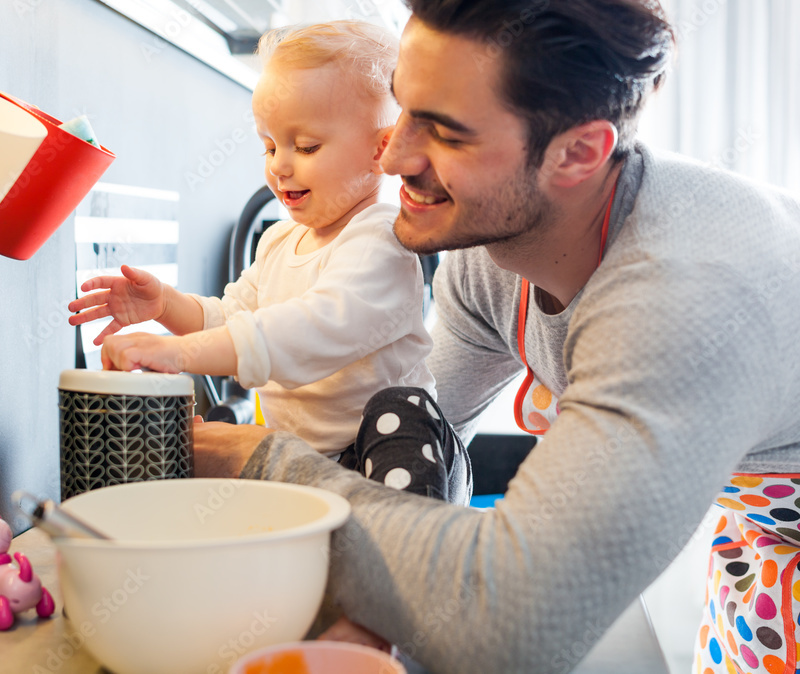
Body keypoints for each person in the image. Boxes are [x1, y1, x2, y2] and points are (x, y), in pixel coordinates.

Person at [191, 1, 800, 672]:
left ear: (578, 153)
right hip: (764, 539)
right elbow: (393, 445)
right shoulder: (488, 260)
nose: (391, 157)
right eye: (402, 109)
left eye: (446, 133)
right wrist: (364, 614)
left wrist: (258, 462)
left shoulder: (686, 301)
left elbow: (517, 621)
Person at [68, 21, 469, 506]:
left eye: (306, 147)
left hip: (405, 456)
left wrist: (180, 354)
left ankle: (412, 541)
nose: (280, 164)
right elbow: (234, 316)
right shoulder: (279, 241)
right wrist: (166, 306)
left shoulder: (380, 239)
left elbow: (307, 330)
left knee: (398, 408)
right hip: (316, 466)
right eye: (270, 145)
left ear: (380, 150)